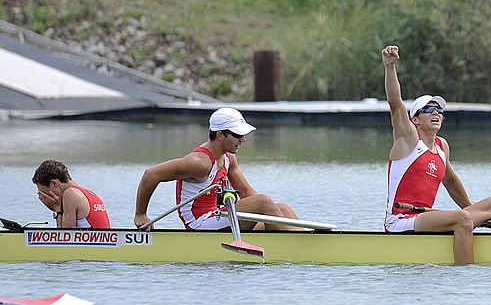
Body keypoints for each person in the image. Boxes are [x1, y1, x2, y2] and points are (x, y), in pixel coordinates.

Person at [381, 45, 491, 265]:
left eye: (439, 111)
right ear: (415, 119)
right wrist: (390, 67)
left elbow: (451, 181)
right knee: (462, 219)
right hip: (401, 220)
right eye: (429, 110)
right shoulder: (407, 139)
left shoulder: (442, 147)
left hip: (424, 217)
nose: (436, 113)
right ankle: (465, 273)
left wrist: (475, 216)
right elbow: (395, 104)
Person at [133, 107, 299, 231]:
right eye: (238, 135)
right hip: (199, 223)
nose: (243, 140)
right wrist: (141, 214)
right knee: (264, 202)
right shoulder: (199, 162)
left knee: (283, 209)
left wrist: (268, 214)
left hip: (217, 215)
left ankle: (302, 242)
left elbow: (246, 191)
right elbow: (151, 174)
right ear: (220, 135)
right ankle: (297, 249)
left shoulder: (228, 158)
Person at [32, 160, 111, 229]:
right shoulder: (88, 193)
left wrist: (57, 210)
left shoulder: (71, 194)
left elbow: (64, 238)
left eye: (43, 191)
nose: (43, 196)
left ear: (54, 183)